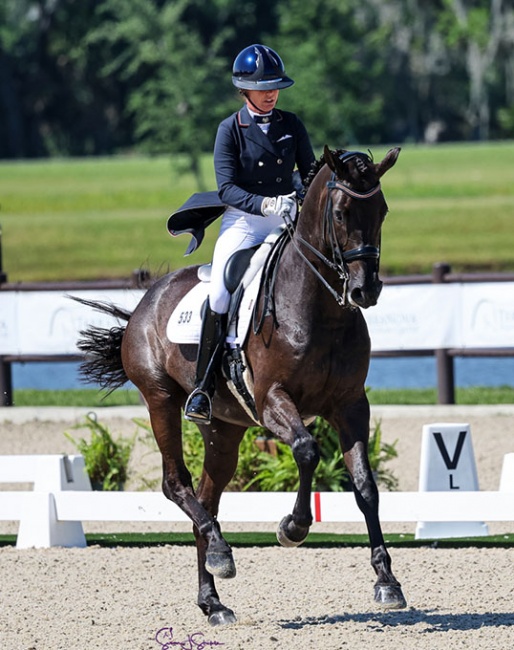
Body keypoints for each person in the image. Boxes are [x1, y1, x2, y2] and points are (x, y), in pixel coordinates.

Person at [184, 43, 315, 424]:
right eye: (264, 87)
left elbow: (308, 173)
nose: (272, 93)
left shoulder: (292, 125)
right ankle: (203, 387)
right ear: (245, 89)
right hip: (244, 221)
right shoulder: (230, 130)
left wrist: (301, 197)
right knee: (220, 291)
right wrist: (267, 205)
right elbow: (226, 189)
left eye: (276, 86)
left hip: (286, 218)